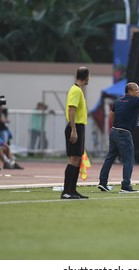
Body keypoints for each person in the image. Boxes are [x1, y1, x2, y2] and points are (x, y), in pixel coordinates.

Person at [61, 66, 90, 199]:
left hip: (79, 127)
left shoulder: (78, 90)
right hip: (75, 127)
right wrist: (73, 130)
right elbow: (71, 110)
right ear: (86, 77)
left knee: (78, 160)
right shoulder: (76, 90)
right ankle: (66, 191)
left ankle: (72, 190)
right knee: (73, 160)